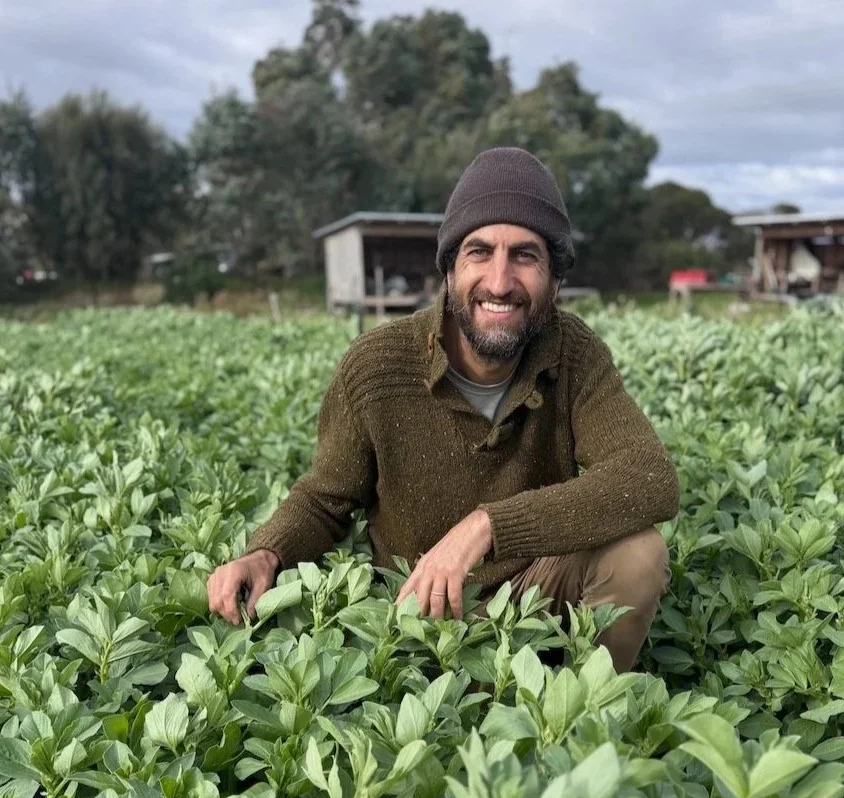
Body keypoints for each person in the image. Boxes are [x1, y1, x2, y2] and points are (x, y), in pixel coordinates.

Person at [207, 147, 680, 671]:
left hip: (534, 598)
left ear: (555, 278)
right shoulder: (376, 365)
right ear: (450, 269)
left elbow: (648, 477)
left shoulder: (574, 354)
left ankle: (579, 718)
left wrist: (485, 527)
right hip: (421, 619)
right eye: (479, 252)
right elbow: (325, 498)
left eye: (525, 255)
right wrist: (263, 553)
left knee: (638, 553)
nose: (500, 282)